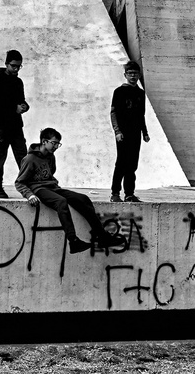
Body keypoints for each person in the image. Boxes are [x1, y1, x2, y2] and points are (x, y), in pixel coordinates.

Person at [15, 127, 126, 254]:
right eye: (54, 143)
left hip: (53, 187)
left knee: (83, 199)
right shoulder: (29, 159)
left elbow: (51, 173)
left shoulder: (51, 157)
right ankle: (73, 241)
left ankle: (102, 237)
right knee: (61, 201)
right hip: (39, 189)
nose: (56, 146)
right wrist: (29, 195)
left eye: (58, 144)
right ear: (44, 141)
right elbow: (19, 182)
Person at [0, 49, 29, 199]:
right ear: (6, 64)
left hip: (16, 127)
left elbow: (21, 99)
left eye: (19, 66)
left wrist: (25, 106)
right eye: (13, 65)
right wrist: (15, 109)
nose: (16, 69)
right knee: (0, 158)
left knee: (23, 158)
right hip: (2, 127)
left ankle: (27, 187)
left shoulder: (18, 82)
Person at [110, 61, 150, 203]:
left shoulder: (140, 93)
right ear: (125, 75)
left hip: (135, 133)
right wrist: (117, 131)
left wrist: (144, 132)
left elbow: (141, 114)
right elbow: (113, 113)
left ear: (139, 75)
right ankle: (115, 193)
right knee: (121, 162)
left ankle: (129, 193)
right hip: (123, 133)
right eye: (130, 73)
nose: (133, 76)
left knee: (132, 164)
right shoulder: (119, 92)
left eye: (135, 73)